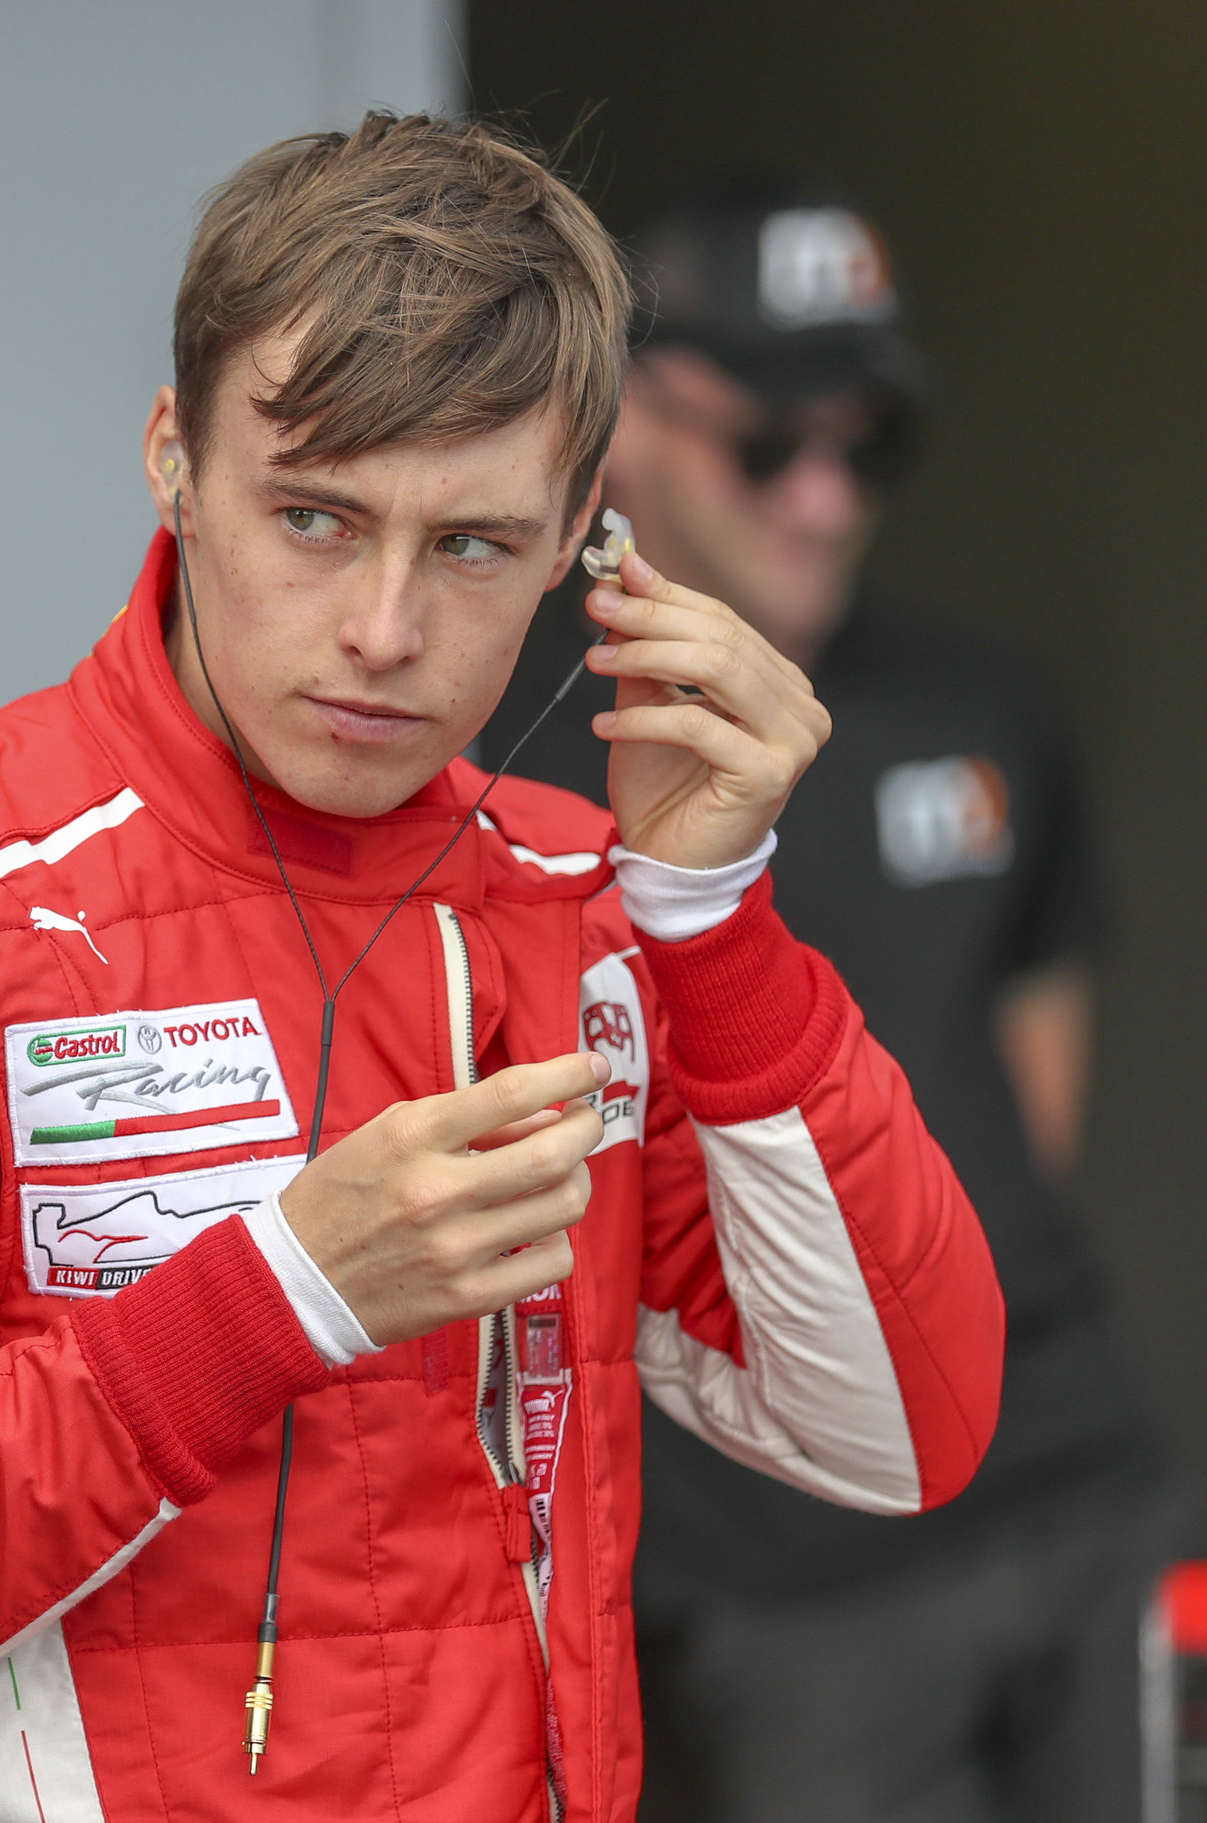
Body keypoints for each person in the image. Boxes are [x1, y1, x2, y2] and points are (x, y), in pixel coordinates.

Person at [0, 118, 1003, 1821]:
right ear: (174, 462)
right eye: (318, 519)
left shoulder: (587, 907)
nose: (385, 631)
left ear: (583, 538)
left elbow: (901, 1428)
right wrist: (270, 1299)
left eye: (475, 545)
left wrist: (717, 923)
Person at [482, 175, 1186, 1823]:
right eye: (767, 441)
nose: (821, 495)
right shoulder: (504, 738)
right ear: (627, 426)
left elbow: (1027, 1112)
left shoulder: (981, 701)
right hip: (777, 1569)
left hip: (1077, 1480)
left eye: (865, 446)